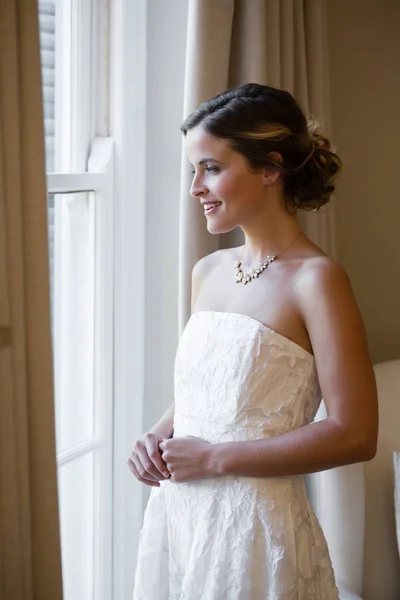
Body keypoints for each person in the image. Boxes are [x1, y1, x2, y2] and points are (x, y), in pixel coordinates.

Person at [128, 83, 379, 599]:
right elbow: (215, 391)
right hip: (180, 515)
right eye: (192, 171)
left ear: (270, 168)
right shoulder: (208, 271)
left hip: (255, 532)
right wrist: (158, 433)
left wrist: (215, 458)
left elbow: (355, 433)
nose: (195, 186)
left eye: (211, 168)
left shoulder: (318, 280)